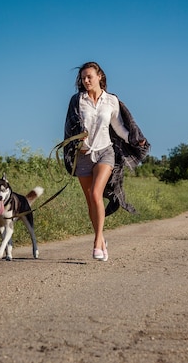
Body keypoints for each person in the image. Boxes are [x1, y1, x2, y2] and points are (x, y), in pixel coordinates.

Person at [63, 61, 149, 262]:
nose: (85, 81)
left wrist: (135, 139)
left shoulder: (111, 101)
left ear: (99, 76)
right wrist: (77, 137)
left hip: (105, 152)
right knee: (91, 202)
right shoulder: (77, 101)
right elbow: (69, 127)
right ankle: (101, 240)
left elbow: (119, 128)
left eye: (89, 77)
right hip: (83, 155)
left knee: (96, 193)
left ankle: (96, 241)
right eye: (83, 78)